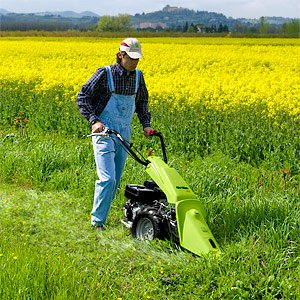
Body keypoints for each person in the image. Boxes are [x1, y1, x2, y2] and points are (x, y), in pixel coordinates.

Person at [76, 38, 153, 229]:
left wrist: (146, 125)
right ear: (121, 55)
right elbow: (82, 97)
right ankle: (97, 223)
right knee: (107, 179)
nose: (135, 62)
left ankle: (108, 216)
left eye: (138, 58)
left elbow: (141, 102)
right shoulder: (105, 73)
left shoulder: (138, 76)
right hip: (104, 130)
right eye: (131, 57)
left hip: (125, 130)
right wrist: (94, 121)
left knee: (115, 180)